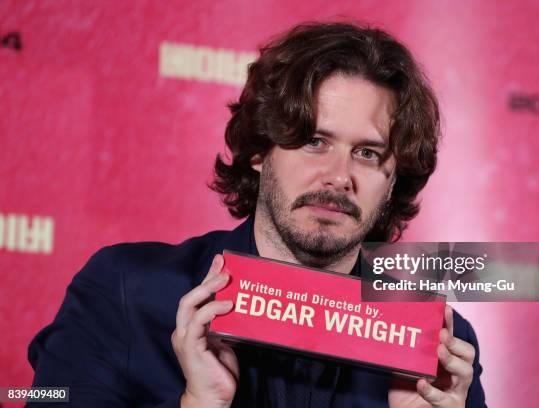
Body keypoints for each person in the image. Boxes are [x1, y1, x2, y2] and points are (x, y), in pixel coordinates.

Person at [28, 22, 486, 407]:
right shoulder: (124, 289)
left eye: (367, 153)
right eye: (314, 142)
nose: (338, 176)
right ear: (260, 152)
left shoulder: (436, 346)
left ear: (392, 183)